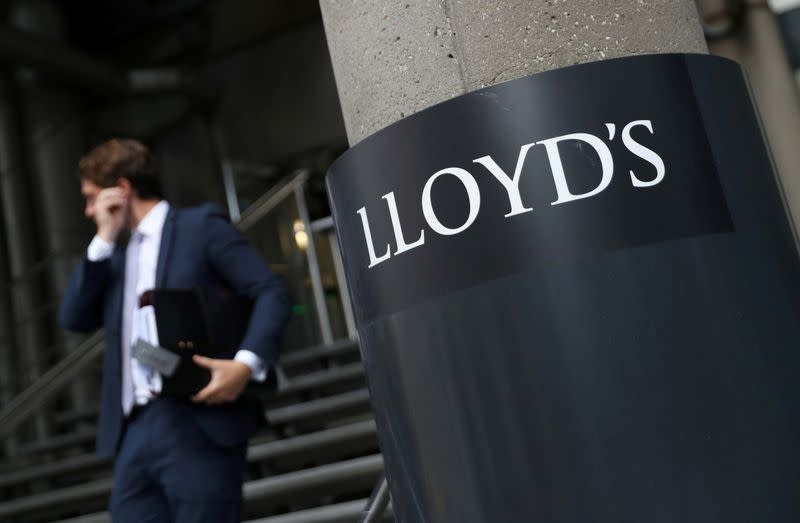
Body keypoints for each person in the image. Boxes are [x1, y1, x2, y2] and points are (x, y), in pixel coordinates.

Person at [59, 138, 291, 522]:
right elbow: (73, 319)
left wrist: (245, 365)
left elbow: (271, 292)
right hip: (135, 430)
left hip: (197, 419)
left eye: (91, 197)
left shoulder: (199, 227)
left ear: (123, 189)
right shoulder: (114, 257)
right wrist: (102, 239)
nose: (87, 210)